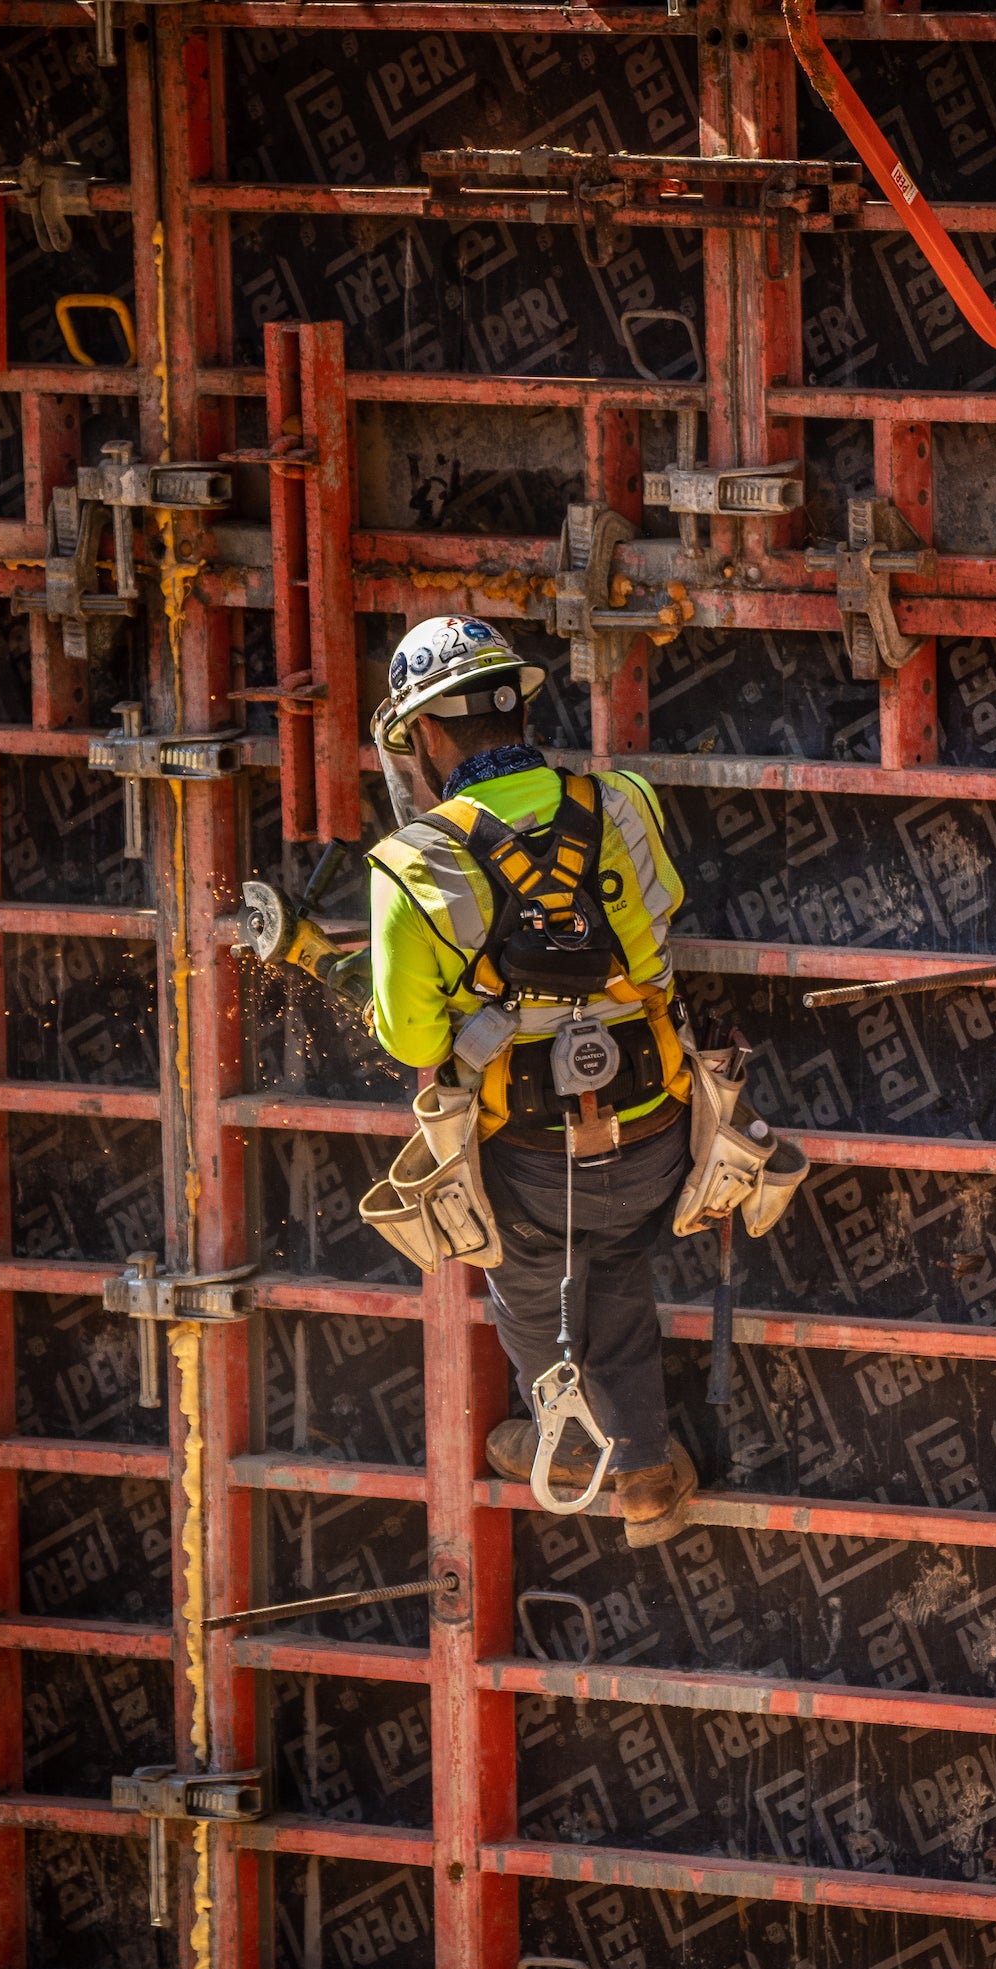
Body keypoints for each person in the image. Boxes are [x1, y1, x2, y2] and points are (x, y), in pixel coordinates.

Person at [354, 615, 702, 1547]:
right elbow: (661, 914)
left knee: (529, 1278)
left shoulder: (411, 863)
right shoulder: (622, 802)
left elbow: (411, 1036)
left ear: (423, 735)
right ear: (516, 704)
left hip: (533, 1157)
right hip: (657, 1131)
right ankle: (647, 1476)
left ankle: (574, 1442)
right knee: (615, 1260)